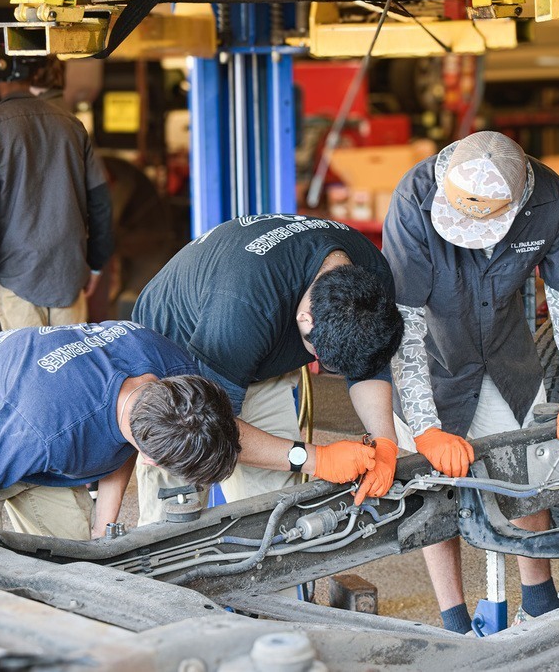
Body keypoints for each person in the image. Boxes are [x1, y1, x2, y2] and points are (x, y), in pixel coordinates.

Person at [381, 131, 559, 633]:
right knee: (431, 491)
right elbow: (405, 325)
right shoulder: (415, 200)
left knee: (525, 474)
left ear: (519, 195)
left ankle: (540, 602)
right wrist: (425, 427)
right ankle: (454, 622)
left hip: (508, 356)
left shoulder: (548, 198)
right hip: (432, 363)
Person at [132, 214, 404, 521]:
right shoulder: (244, 307)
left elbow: (369, 365)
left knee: (274, 512)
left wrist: (384, 443)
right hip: (177, 366)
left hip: (255, 352)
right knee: (176, 518)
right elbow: (210, 428)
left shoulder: (373, 282)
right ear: (306, 319)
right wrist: (316, 458)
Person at [0, 321, 239, 540]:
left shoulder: (170, 373)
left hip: (28, 409)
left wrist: (104, 526)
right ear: (151, 460)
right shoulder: (46, 431)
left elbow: (128, 437)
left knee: (77, 562)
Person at [0, 59, 114, 330]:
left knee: (29, 369)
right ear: (33, 76)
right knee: (71, 366)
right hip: (69, 276)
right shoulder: (72, 124)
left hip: (16, 281)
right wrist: (96, 264)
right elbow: (100, 202)